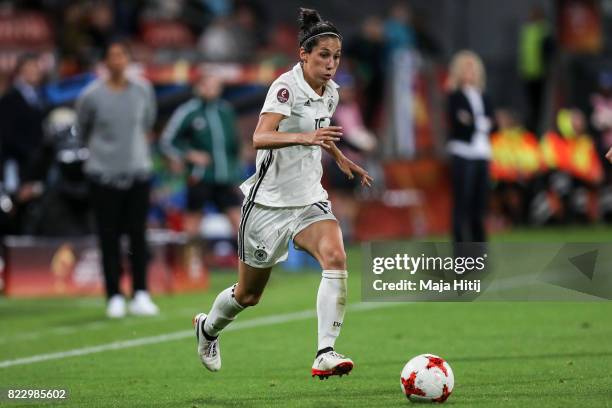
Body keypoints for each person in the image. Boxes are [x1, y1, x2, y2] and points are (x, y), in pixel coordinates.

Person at [192, 8, 373, 379]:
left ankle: (326, 351)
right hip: (268, 204)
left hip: (309, 198)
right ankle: (207, 329)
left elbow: (319, 131)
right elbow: (260, 137)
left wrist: (340, 157)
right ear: (304, 55)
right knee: (248, 296)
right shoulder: (285, 87)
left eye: (336, 57)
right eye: (323, 55)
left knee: (335, 256)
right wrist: (304, 137)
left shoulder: (331, 93)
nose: (331, 64)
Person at [76, 41, 159, 318]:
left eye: (122, 55)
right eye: (112, 56)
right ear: (104, 62)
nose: (118, 60)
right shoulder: (91, 96)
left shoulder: (143, 90)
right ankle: (113, 295)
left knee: (138, 235)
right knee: (108, 236)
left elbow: (147, 122)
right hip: (102, 175)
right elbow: (83, 129)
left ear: (128, 59)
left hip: (138, 172)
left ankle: (141, 293)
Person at [160, 72, 242, 256]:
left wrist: (236, 172)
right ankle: (191, 265)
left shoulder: (225, 111)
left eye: (217, 86)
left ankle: (252, 266)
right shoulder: (188, 112)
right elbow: (167, 141)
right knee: (193, 221)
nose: (214, 90)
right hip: (200, 176)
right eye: (209, 85)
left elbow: (234, 146)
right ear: (199, 87)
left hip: (225, 176)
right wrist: (189, 155)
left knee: (238, 221)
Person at [446, 50, 494, 243]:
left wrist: (474, 122)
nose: (470, 72)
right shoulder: (455, 95)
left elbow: (493, 123)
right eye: (466, 68)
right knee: (462, 205)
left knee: (480, 206)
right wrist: (480, 123)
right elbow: (460, 124)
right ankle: (460, 255)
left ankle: (479, 253)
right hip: (463, 153)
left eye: (473, 68)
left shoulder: (484, 95)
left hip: (482, 153)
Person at [0, 53, 46, 233]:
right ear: (20, 72)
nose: (33, 72)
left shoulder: (38, 97)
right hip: (17, 165)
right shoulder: (10, 99)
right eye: (29, 68)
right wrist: (32, 153)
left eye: (36, 68)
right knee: (15, 204)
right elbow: (7, 136)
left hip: (34, 165)